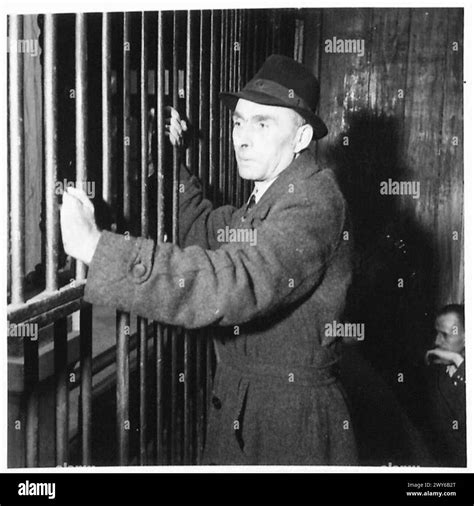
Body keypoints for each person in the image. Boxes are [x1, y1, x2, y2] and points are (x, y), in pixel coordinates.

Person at [60, 54, 358, 465]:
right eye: (238, 122)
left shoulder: (315, 201)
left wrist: (98, 248)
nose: (242, 137)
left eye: (263, 123)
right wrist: (168, 156)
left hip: (290, 427)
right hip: (251, 410)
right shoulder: (269, 200)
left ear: (303, 137)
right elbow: (199, 228)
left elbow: (232, 282)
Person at [425, 304, 466, 466]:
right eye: (436, 333)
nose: (436, 341)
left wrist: (458, 361)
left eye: (445, 334)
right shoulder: (437, 370)